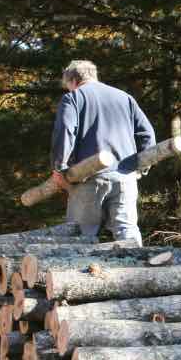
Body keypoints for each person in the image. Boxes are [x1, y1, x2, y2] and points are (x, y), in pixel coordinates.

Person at [51, 60, 156, 245]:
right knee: (128, 233)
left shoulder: (74, 98)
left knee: (81, 237)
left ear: (73, 80)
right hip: (126, 177)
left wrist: (60, 169)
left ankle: (77, 275)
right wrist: (141, 168)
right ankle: (137, 272)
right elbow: (147, 134)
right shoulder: (125, 98)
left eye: (68, 86)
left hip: (89, 177)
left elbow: (65, 131)